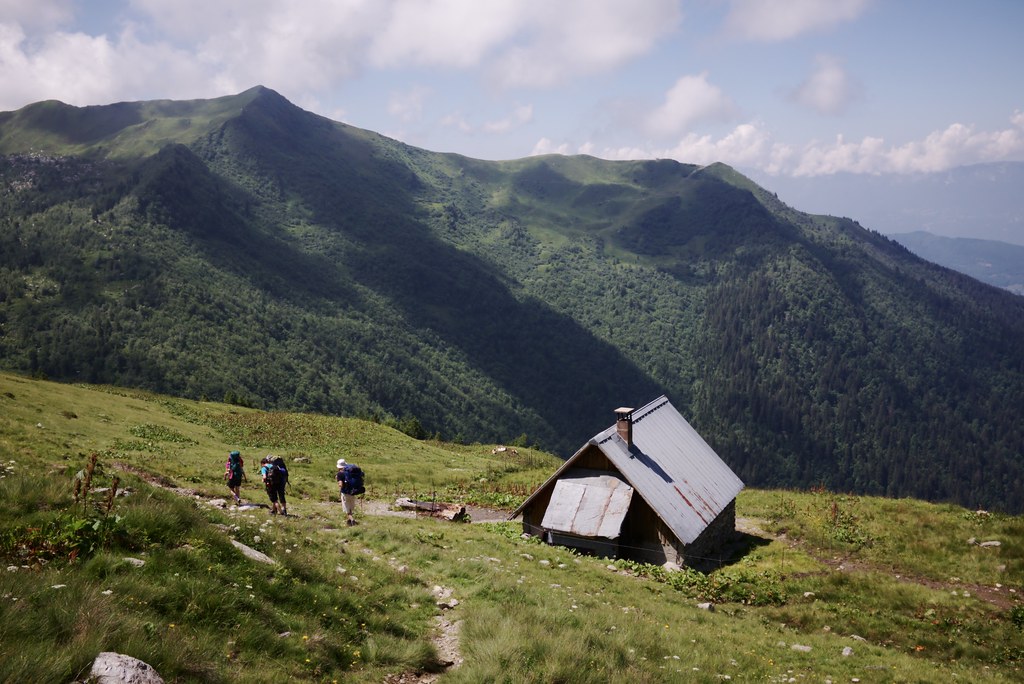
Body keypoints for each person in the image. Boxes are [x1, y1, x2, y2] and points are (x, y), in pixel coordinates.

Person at [336, 458, 359, 526]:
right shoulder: (350, 472)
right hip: (352, 492)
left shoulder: (340, 474)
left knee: (347, 508)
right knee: (350, 507)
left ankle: (352, 520)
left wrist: (339, 482)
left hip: (345, 493)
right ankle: (349, 521)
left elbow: (340, 484)